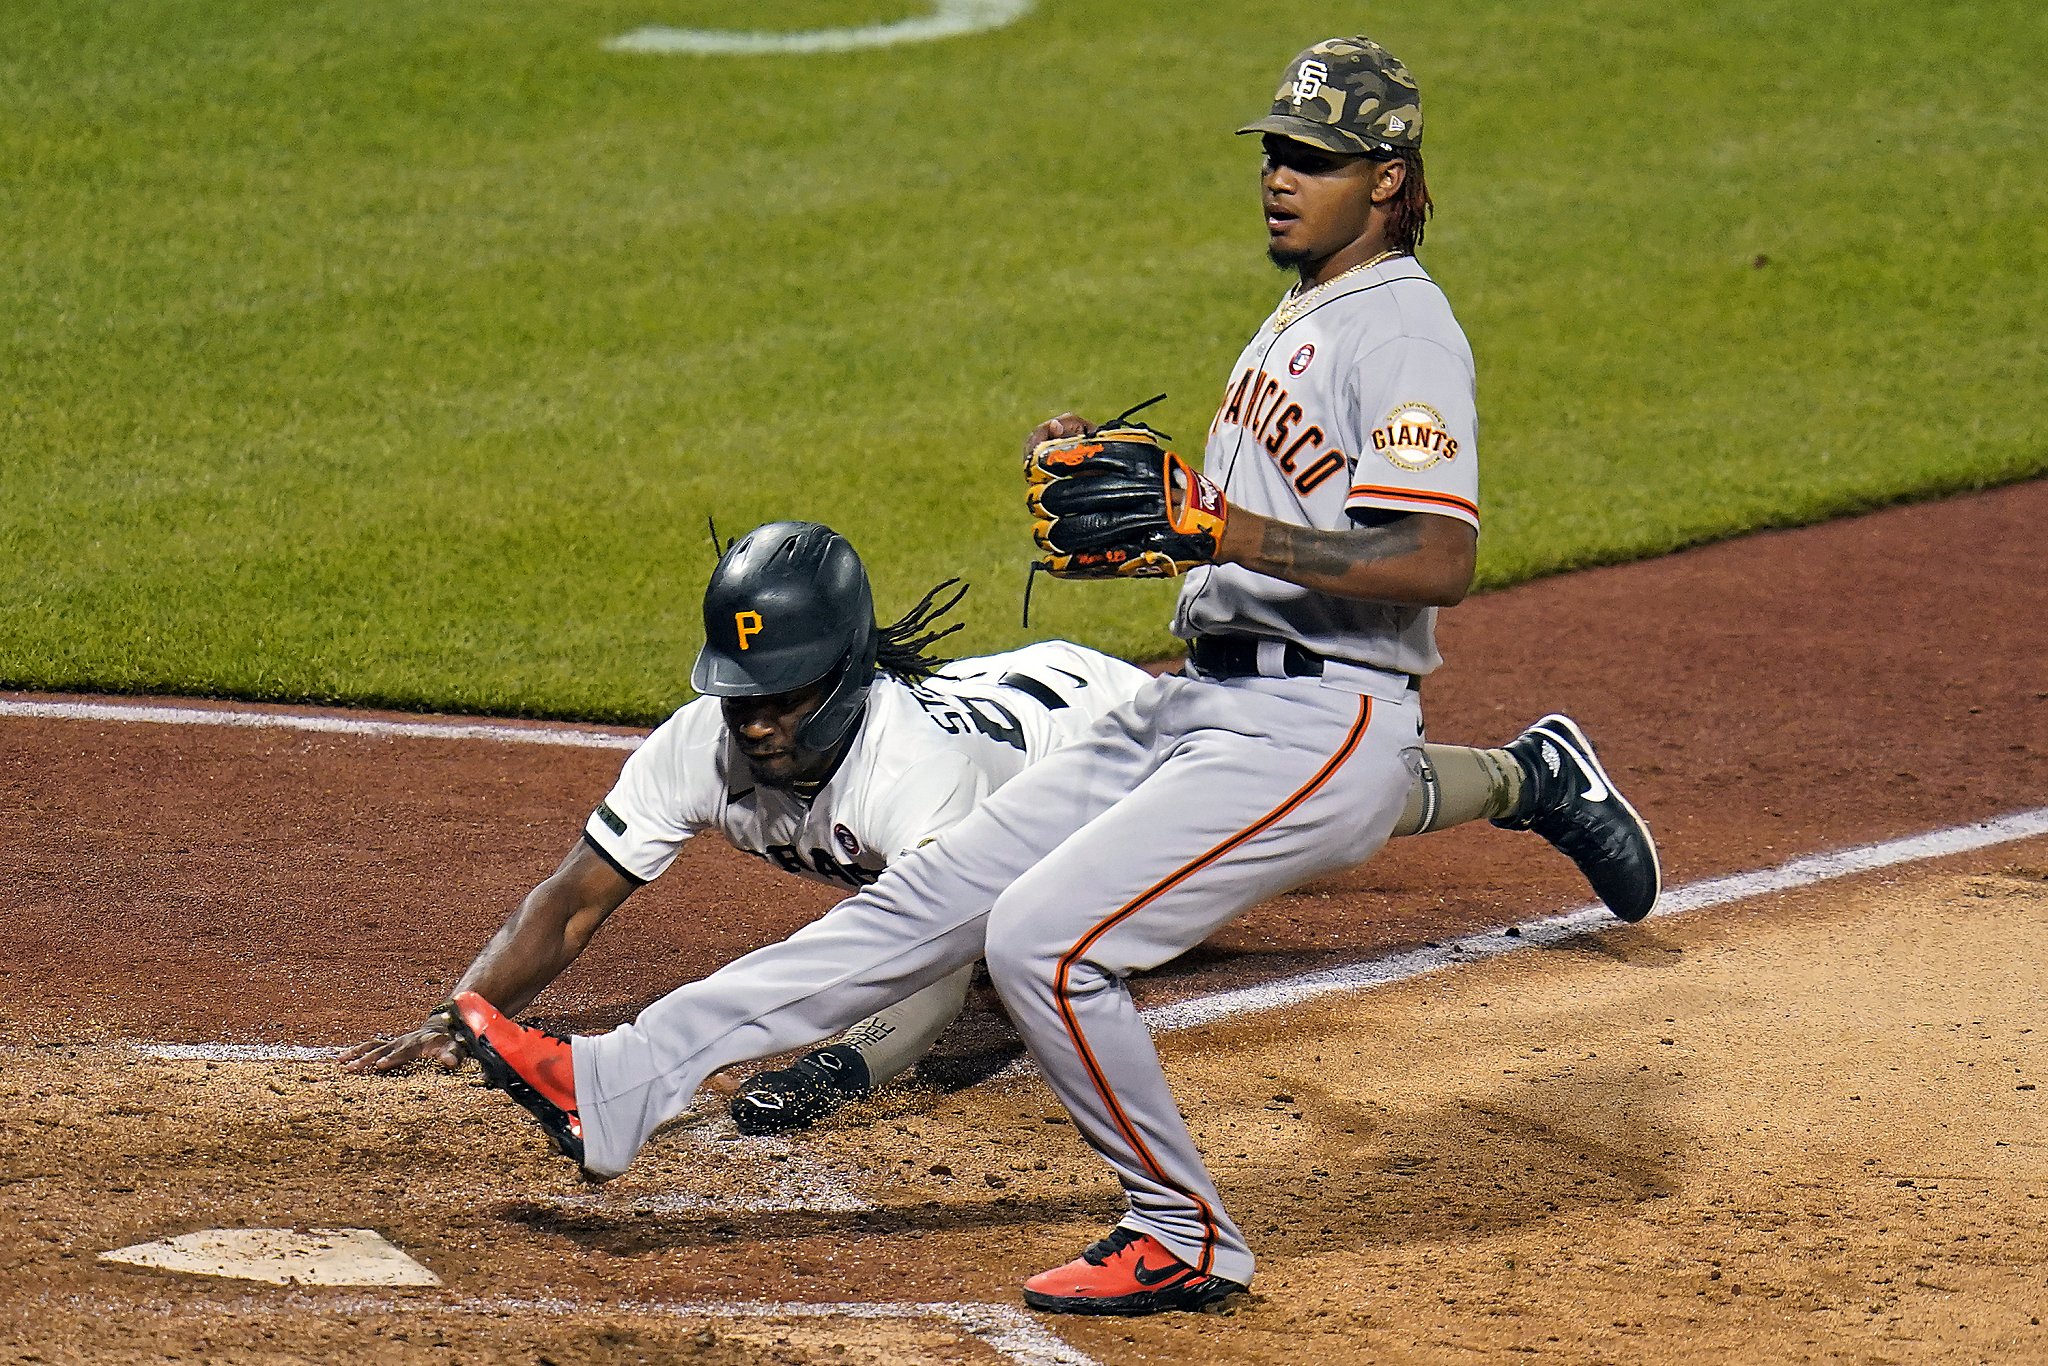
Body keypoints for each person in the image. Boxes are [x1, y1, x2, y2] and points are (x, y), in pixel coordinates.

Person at [444, 35, 1658, 1315]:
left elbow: (1436, 555)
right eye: (1274, 151)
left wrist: (1218, 529)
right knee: (926, 903)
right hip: (1203, 701)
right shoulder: (1303, 315)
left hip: (1311, 720)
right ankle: (622, 1081)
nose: (1281, 176)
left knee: (1042, 947)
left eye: (1317, 158)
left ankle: (1179, 1229)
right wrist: (1151, 529)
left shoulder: (1403, 327)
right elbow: (1242, 533)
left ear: (1389, 179)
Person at [348, 519, 1658, 1140]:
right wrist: (462, 1006)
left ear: (849, 675)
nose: (751, 726)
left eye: (781, 700)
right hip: (1030, 722)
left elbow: (935, 966)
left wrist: (845, 1067)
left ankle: (1535, 772)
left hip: (1109, 738)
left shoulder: (912, 777)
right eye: (738, 698)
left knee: (1332, 816)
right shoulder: (706, 737)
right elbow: (574, 899)